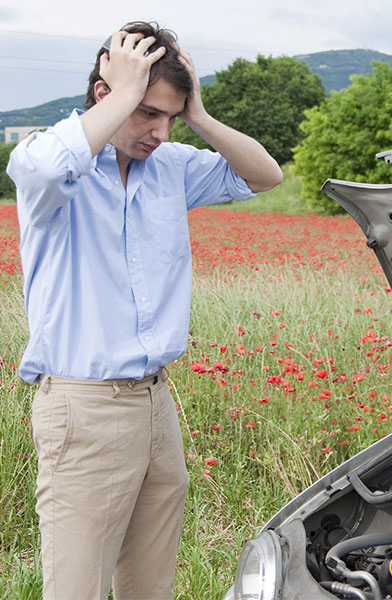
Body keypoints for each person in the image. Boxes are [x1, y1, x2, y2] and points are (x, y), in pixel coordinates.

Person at [7, 21, 282, 600]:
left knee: (150, 586)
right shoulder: (53, 164)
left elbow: (265, 175)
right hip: (84, 407)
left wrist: (200, 117)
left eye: (169, 117)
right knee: (75, 588)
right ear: (108, 92)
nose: (158, 131)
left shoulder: (172, 167)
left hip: (156, 401)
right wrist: (127, 91)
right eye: (147, 112)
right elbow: (40, 169)